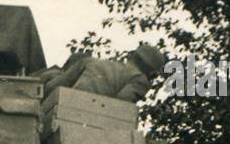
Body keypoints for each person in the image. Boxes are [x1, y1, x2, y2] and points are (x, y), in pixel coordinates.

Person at [32, 43, 167, 103]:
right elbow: (122, 106)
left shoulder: (91, 61)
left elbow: (53, 86)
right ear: (150, 72)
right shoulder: (140, 80)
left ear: (132, 57)